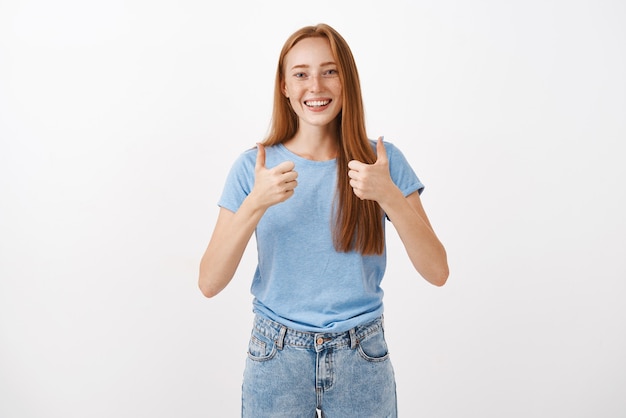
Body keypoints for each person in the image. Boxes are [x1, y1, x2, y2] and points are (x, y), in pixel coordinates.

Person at [199, 23, 448, 418]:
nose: (315, 85)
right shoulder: (254, 167)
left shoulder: (381, 162)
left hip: (361, 359)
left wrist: (389, 196)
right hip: (275, 357)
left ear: (347, 80)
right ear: (284, 86)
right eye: (300, 74)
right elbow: (209, 282)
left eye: (329, 71)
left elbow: (437, 271)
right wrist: (255, 204)